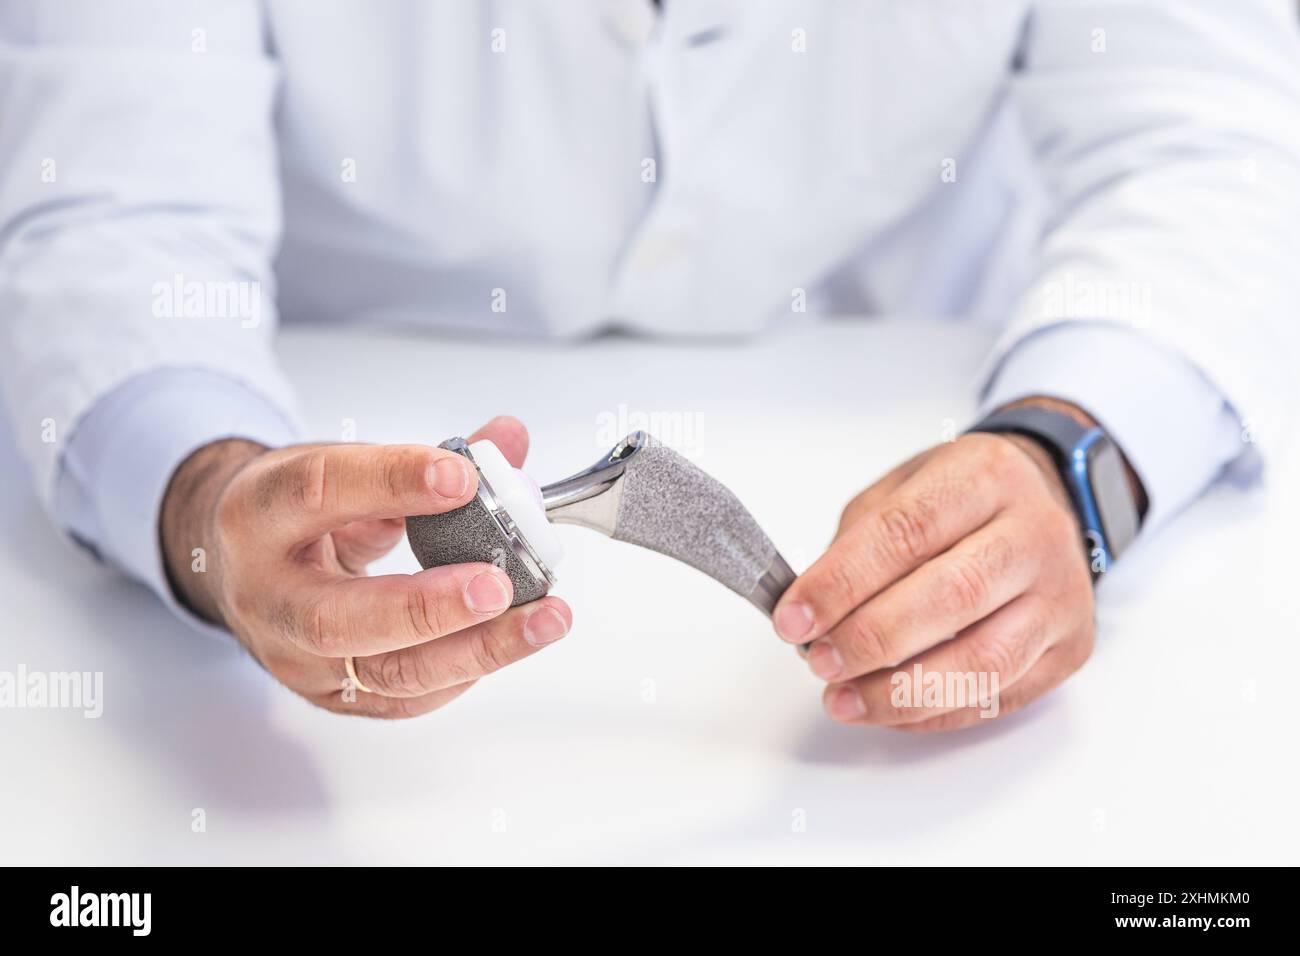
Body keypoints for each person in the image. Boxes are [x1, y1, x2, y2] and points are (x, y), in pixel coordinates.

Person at [2, 1, 1297, 729]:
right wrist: (200, 499)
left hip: (919, 376)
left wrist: (1069, 452)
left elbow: (1214, 147)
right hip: (324, 379)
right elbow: (110, 215)